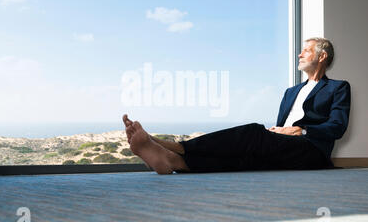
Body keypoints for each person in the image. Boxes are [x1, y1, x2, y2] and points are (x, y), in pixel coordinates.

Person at [122, 37, 351, 175]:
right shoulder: (291, 92)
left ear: (322, 57)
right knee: (245, 157)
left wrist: (302, 130)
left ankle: (175, 147)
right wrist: (279, 132)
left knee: (253, 132)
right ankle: (174, 161)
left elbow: (337, 127)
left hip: (311, 149)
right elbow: (282, 127)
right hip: (284, 143)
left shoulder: (338, 87)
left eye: (307, 50)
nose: (300, 54)